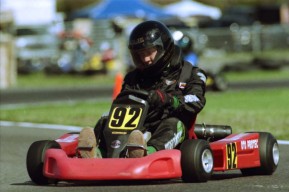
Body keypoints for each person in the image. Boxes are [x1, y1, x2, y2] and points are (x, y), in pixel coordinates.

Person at [78, 20, 207, 158]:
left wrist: (168, 100)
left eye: (149, 52)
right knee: (106, 119)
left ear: (163, 48)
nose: (145, 59)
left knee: (174, 123)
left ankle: (147, 153)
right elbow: (122, 103)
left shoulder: (190, 73)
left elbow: (196, 100)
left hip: (173, 131)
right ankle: (98, 153)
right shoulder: (133, 77)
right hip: (138, 129)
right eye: (140, 54)